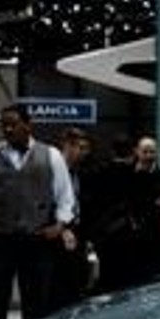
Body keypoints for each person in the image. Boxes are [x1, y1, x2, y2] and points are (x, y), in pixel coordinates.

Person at [0, 104, 77, 319]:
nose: (7, 129)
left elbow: (66, 196)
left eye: (13, 124)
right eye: (3, 125)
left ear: (28, 125)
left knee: (37, 306)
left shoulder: (51, 155)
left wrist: (60, 224)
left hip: (37, 240)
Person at [96, 135, 160, 290]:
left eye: (152, 152)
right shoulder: (127, 175)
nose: (149, 156)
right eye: (145, 152)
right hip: (131, 239)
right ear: (137, 152)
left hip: (157, 237)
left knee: (158, 278)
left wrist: (159, 202)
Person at [50, 127, 95, 308]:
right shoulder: (52, 171)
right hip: (57, 234)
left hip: (77, 234)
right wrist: (62, 229)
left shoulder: (78, 172)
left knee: (76, 287)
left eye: (87, 148)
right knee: (59, 289)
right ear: (67, 146)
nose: (85, 153)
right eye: (81, 148)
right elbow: (47, 203)